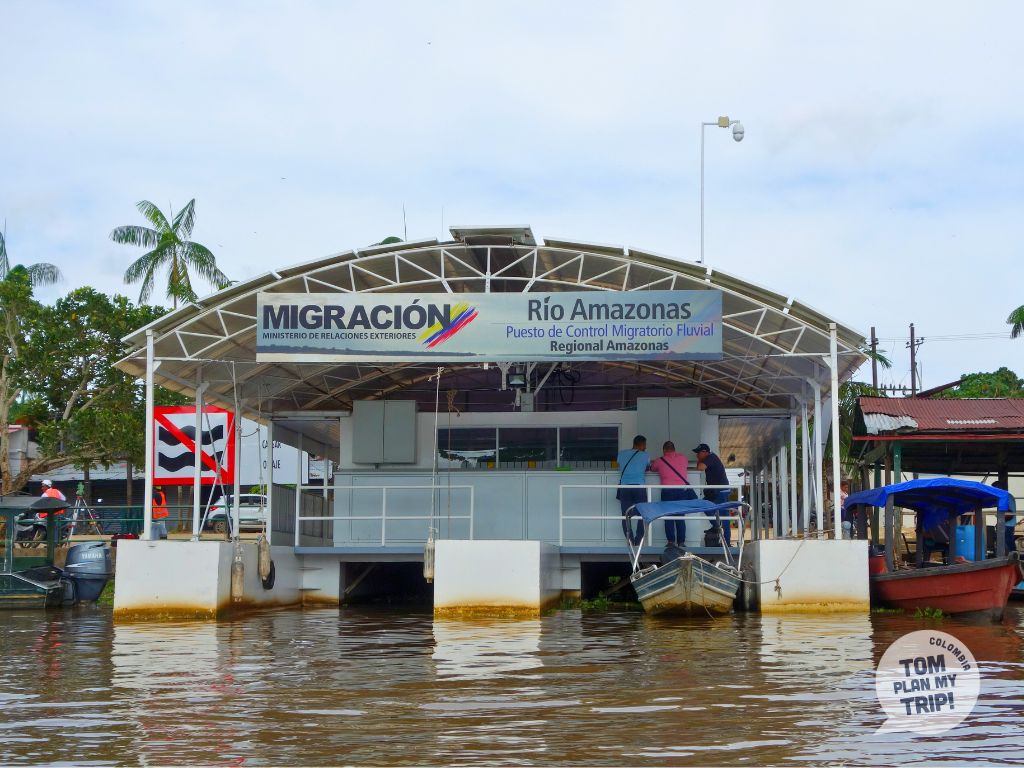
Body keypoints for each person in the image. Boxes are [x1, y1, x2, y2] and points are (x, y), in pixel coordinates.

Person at [651, 441, 696, 546]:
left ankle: (671, 542)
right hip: (681, 491)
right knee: (680, 517)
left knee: (669, 518)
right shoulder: (683, 458)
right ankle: (681, 542)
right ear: (674, 449)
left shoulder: (659, 460)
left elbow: (652, 468)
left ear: (664, 450)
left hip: (667, 491)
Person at [693, 443, 732, 544]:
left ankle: (725, 540)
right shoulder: (708, 458)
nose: (697, 455)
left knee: (724, 517)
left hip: (721, 491)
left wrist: (699, 460)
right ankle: (716, 526)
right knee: (704, 506)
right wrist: (700, 459)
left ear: (705, 452)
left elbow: (700, 467)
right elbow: (700, 467)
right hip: (715, 492)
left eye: (698, 453)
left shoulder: (711, 457)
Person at [616, 435, 651, 546]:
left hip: (624, 487)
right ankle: (638, 540)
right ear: (640, 444)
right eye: (644, 445)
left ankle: (630, 541)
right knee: (642, 514)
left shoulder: (621, 454)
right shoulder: (645, 455)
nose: (645, 447)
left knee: (625, 515)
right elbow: (647, 467)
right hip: (639, 487)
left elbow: (619, 465)